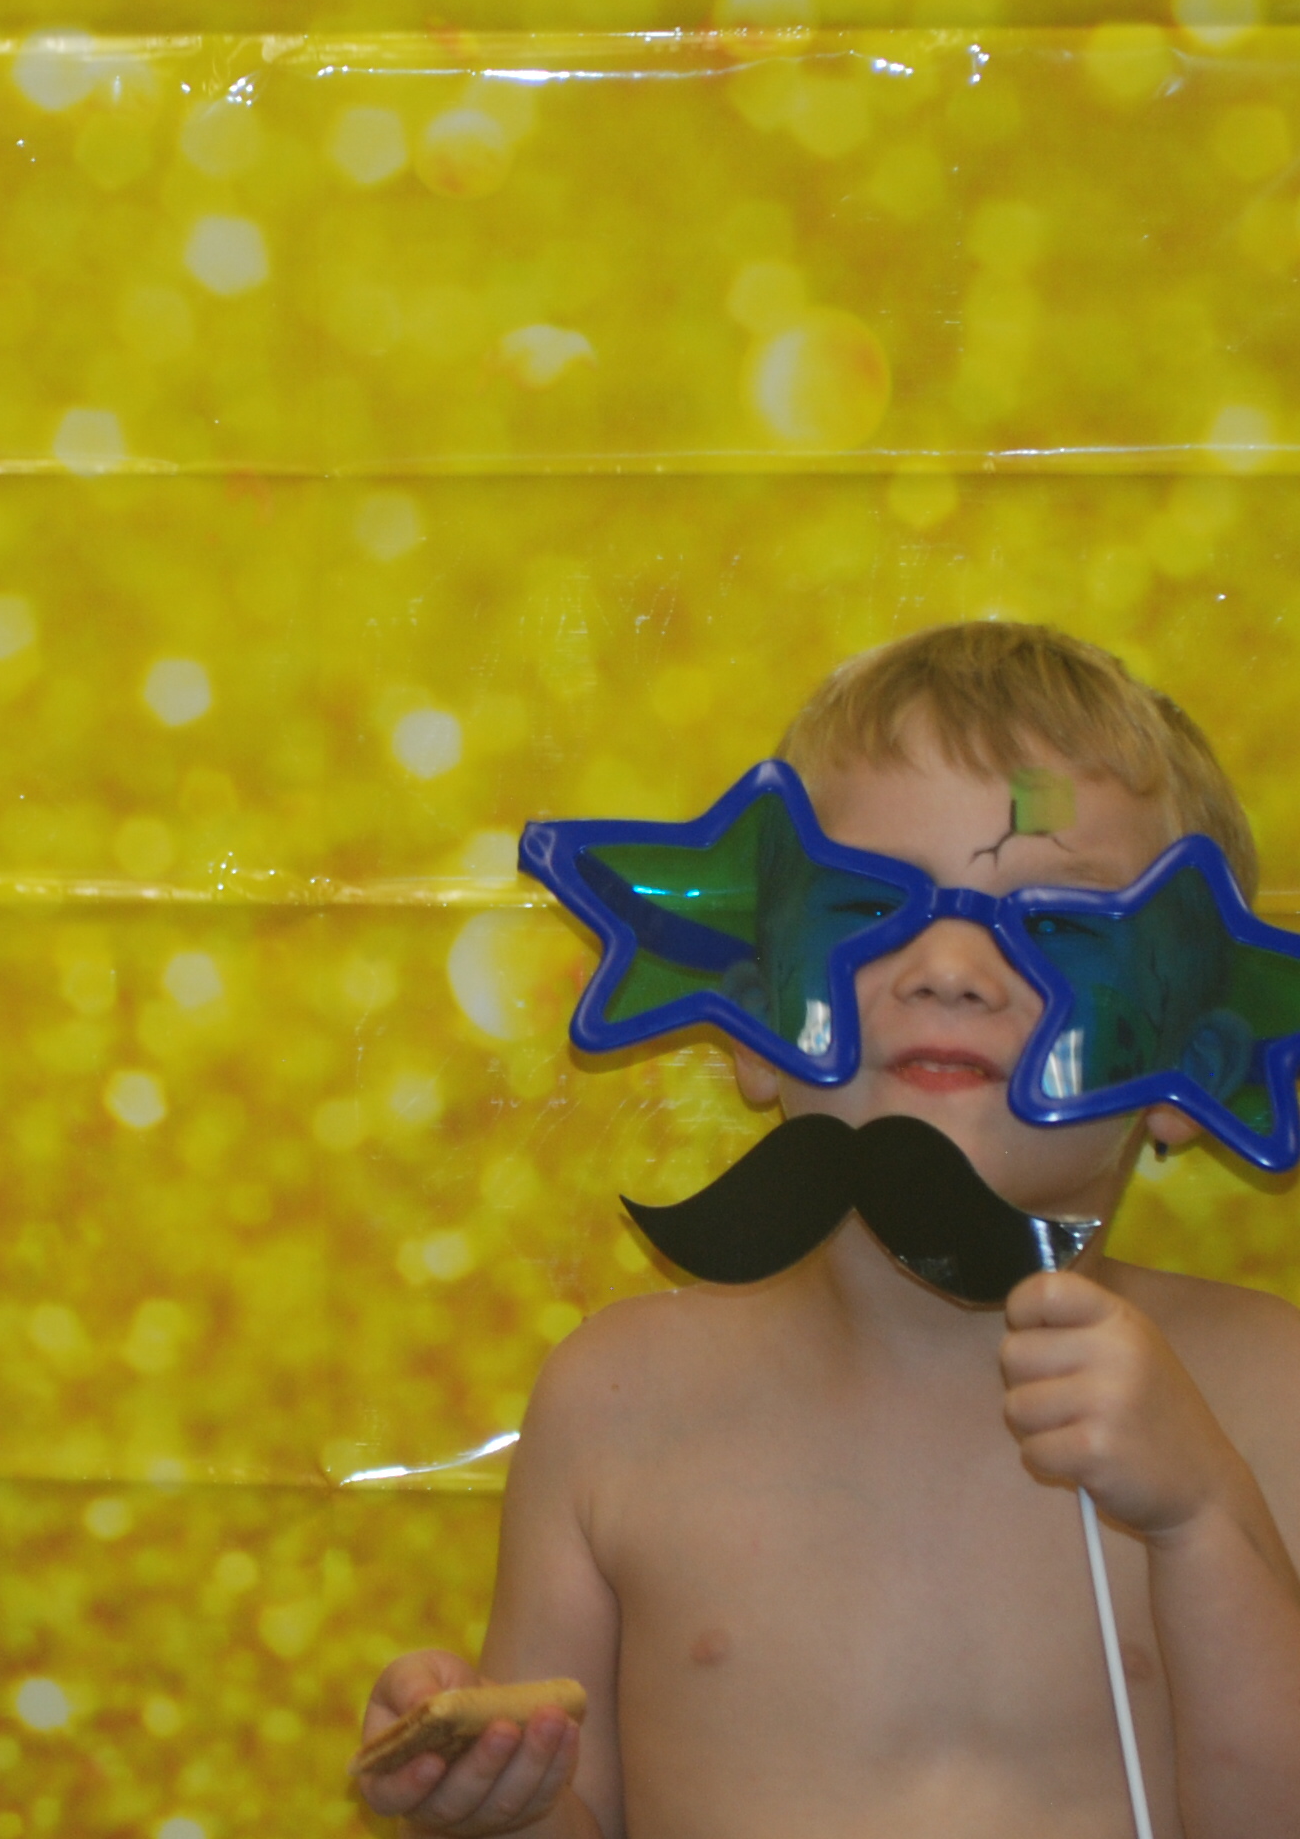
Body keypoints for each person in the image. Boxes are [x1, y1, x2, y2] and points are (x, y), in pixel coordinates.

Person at [356, 623, 1300, 1837]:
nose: (949, 963)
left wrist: (1201, 1517)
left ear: (1194, 1059)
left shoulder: (1265, 1394)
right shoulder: (618, 1401)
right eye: (865, 904)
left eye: (1060, 924)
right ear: (752, 1024)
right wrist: (499, 1801)